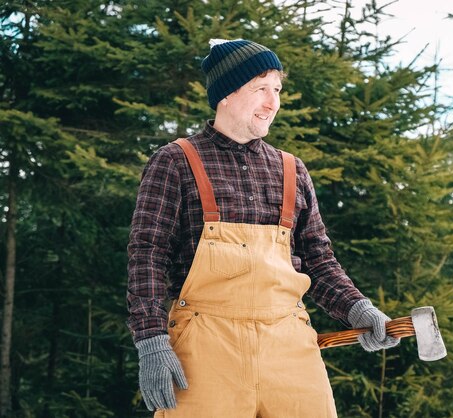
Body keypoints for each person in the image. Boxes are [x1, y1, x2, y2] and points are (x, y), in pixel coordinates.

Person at [126, 38, 399, 417]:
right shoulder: (175, 161)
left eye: (277, 89)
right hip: (205, 348)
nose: (273, 103)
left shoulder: (292, 169)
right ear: (226, 94)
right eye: (261, 89)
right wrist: (151, 340)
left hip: (288, 347)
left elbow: (318, 260)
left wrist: (358, 309)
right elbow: (148, 256)